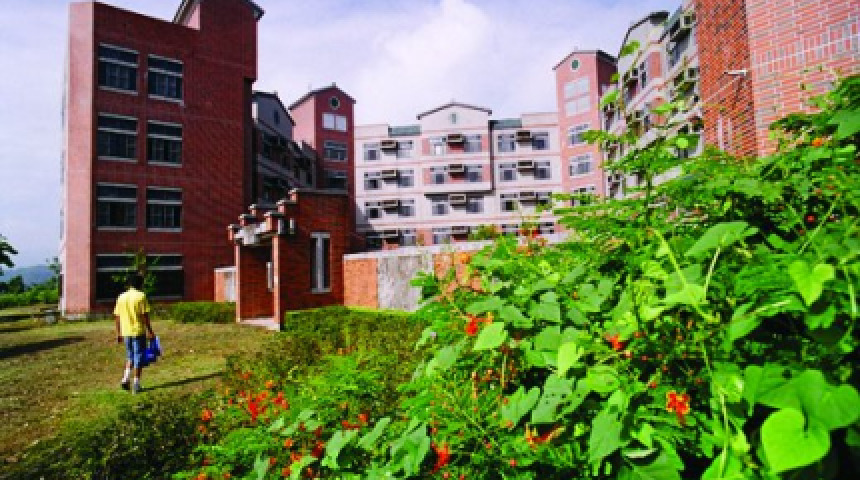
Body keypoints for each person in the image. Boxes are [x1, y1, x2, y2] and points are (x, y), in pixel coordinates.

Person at [114, 273, 155, 394]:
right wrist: (150, 331)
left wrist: (119, 333)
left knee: (130, 356)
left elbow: (117, 316)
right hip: (138, 331)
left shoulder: (121, 297)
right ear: (140, 284)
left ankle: (125, 378)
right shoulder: (141, 296)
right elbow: (144, 316)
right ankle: (136, 384)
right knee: (139, 357)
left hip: (126, 331)